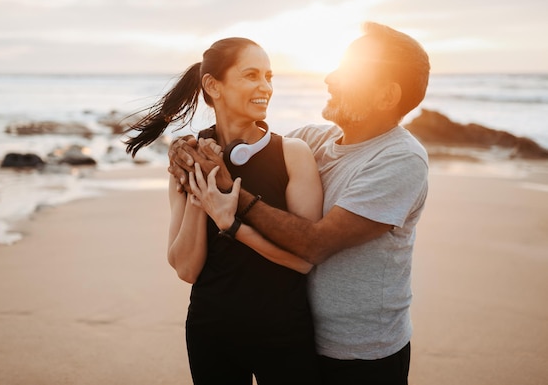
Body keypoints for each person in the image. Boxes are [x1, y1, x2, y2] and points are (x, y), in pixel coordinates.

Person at [170, 22, 431, 385]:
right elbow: (253, 148)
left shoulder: (400, 159)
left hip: (361, 354)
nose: (330, 78)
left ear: (386, 97)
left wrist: (232, 195)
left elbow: (315, 244)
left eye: (349, 72)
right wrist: (186, 149)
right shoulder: (313, 140)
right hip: (301, 337)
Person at [123, 37, 323, 384]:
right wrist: (203, 187)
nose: (266, 88)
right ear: (213, 86)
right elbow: (186, 268)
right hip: (210, 331)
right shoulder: (187, 159)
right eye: (251, 75)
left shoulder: (293, 155)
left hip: (285, 332)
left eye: (269, 76)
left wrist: (231, 225)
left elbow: (305, 260)